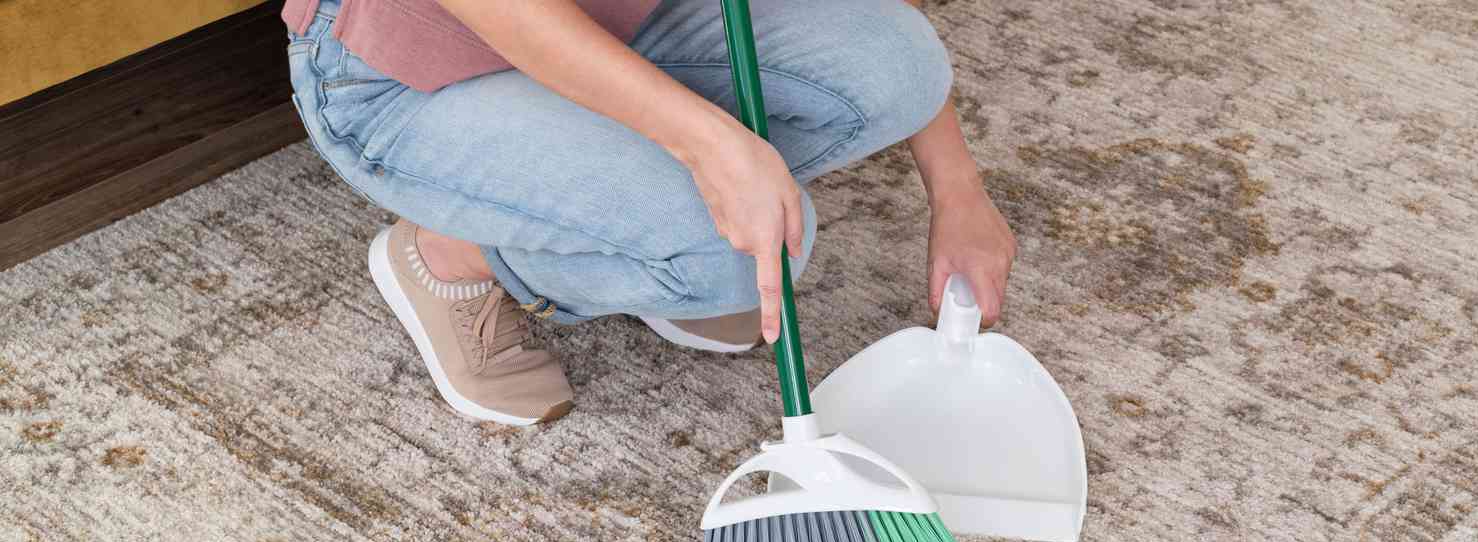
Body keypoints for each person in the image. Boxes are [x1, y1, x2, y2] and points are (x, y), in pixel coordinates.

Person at [284, 0, 1017, 424]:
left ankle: (634, 213)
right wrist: (709, 147)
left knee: (899, 64)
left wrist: (958, 191)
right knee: (740, 257)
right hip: (415, 71)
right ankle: (454, 252)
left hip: (628, 19)